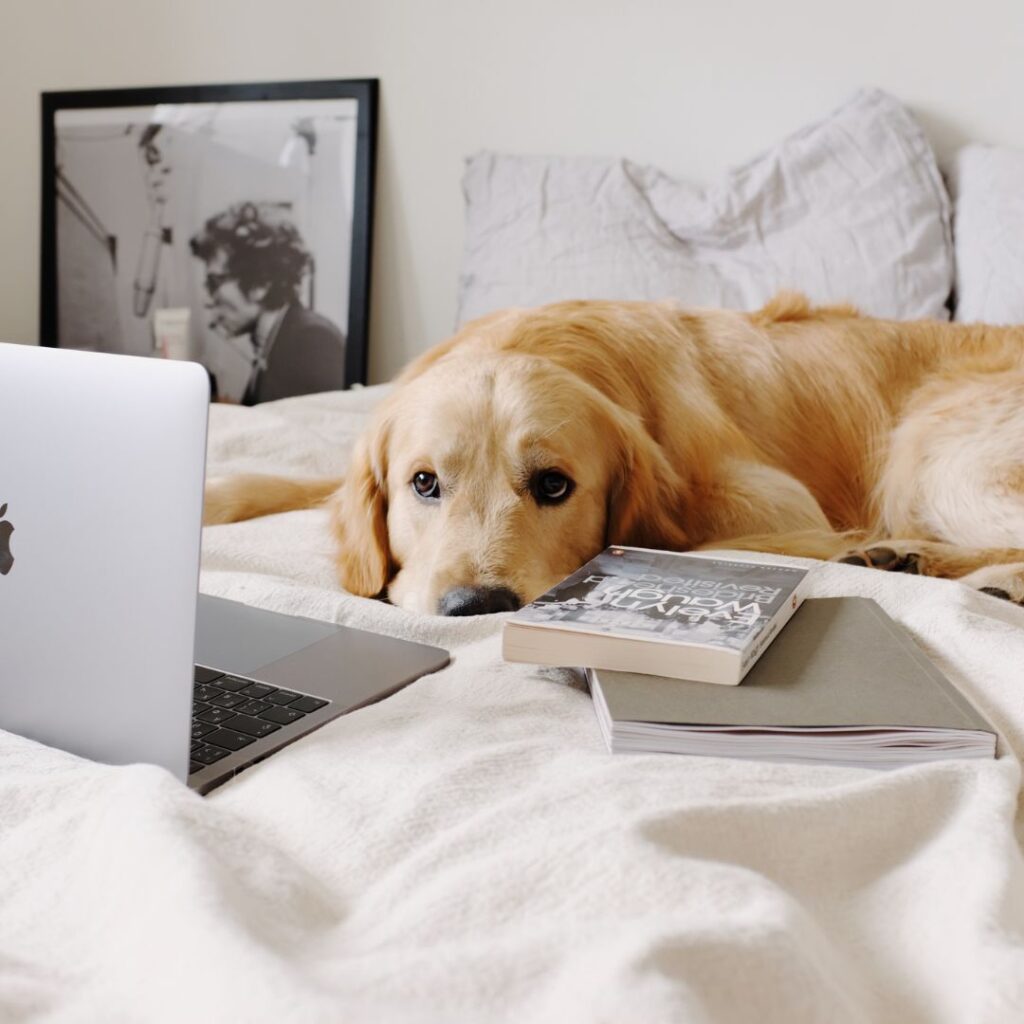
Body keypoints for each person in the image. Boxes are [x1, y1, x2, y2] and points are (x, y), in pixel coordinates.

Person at [189, 202, 346, 404]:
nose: (206, 299)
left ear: (260, 284)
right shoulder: (273, 342)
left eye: (214, 282)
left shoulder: (312, 339)